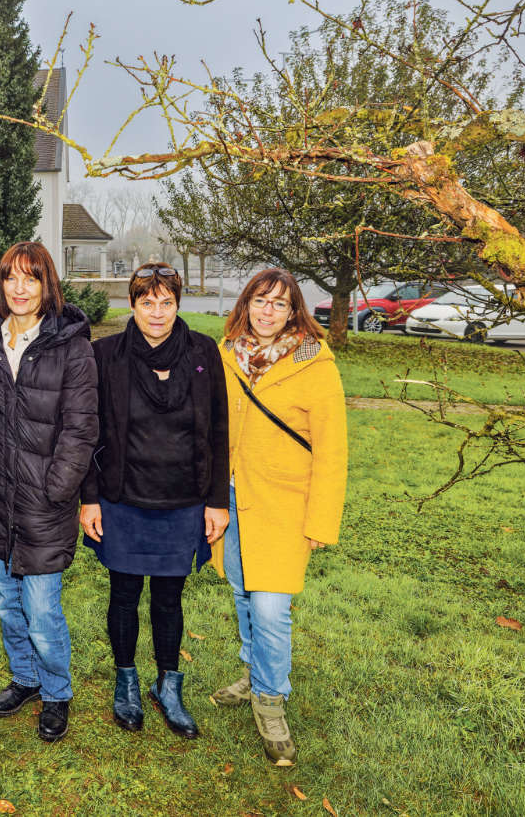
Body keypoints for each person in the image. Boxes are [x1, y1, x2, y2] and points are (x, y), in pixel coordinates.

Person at [80, 263, 228, 738]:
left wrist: (215, 500)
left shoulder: (204, 352)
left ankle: (168, 684)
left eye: (167, 302)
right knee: (123, 594)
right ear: (133, 304)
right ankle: (125, 682)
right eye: (147, 302)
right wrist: (90, 499)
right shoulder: (105, 355)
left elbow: (220, 430)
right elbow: (88, 430)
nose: (157, 312)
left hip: (184, 500)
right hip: (123, 498)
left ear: (178, 304)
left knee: (169, 598)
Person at [210, 268, 348, 766]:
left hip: (287, 504)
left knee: (271, 607)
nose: (268, 311)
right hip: (230, 498)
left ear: (294, 312)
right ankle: (253, 673)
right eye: (260, 300)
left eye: (280, 303)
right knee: (243, 590)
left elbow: (332, 451)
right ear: (246, 305)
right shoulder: (226, 355)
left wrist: (320, 522)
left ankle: (271, 700)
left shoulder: (315, 364)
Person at [0, 240, 98, 743]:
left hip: (46, 500)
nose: (20, 289)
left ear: (47, 285)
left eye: (31, 278)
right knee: (7, 603)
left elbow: (82, 426)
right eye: (10, 278)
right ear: (0, 284)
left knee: (42, 610)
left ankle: (56, 691)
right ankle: (24, 678)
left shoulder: (71, 344)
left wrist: (59, 487)